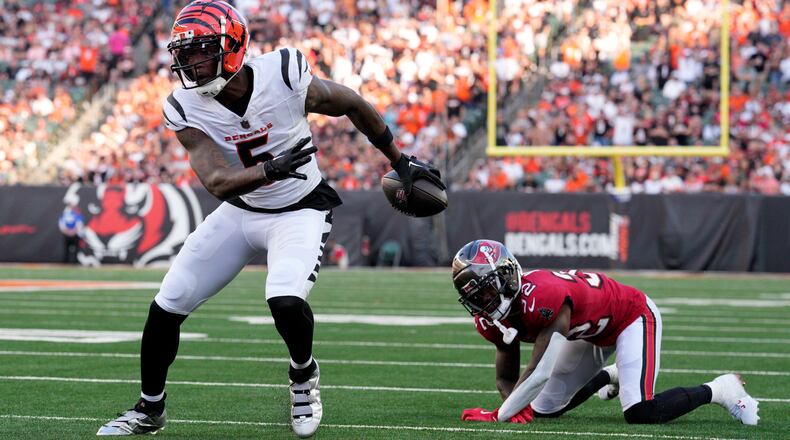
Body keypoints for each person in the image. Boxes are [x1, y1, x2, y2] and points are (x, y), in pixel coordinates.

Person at [97, 1, 444, 437]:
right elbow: (218, 182)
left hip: (300, 207)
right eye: (185, 54)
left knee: (284, 299)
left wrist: (400, 160)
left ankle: (303, 375)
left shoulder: (283, 74)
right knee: (168, 303)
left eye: (202, 51)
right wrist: (268, 170)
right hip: (241, 210)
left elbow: (352, 104)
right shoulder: (185, 106)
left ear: (232, 48)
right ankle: (150, 409)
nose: (192, 64)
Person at [450, 240, 760, 426]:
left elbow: (540, 371)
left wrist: (500, 414)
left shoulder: (542, 296)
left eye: (487, 289)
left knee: (640, 412)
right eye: (474, 296)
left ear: (507, 276)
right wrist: (514, 404)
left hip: (630, 316)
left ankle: (721, 389)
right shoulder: (489, 320)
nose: (483, 301)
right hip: (587, 332)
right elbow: (506, 378)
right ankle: (613, 374)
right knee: (542, 408)